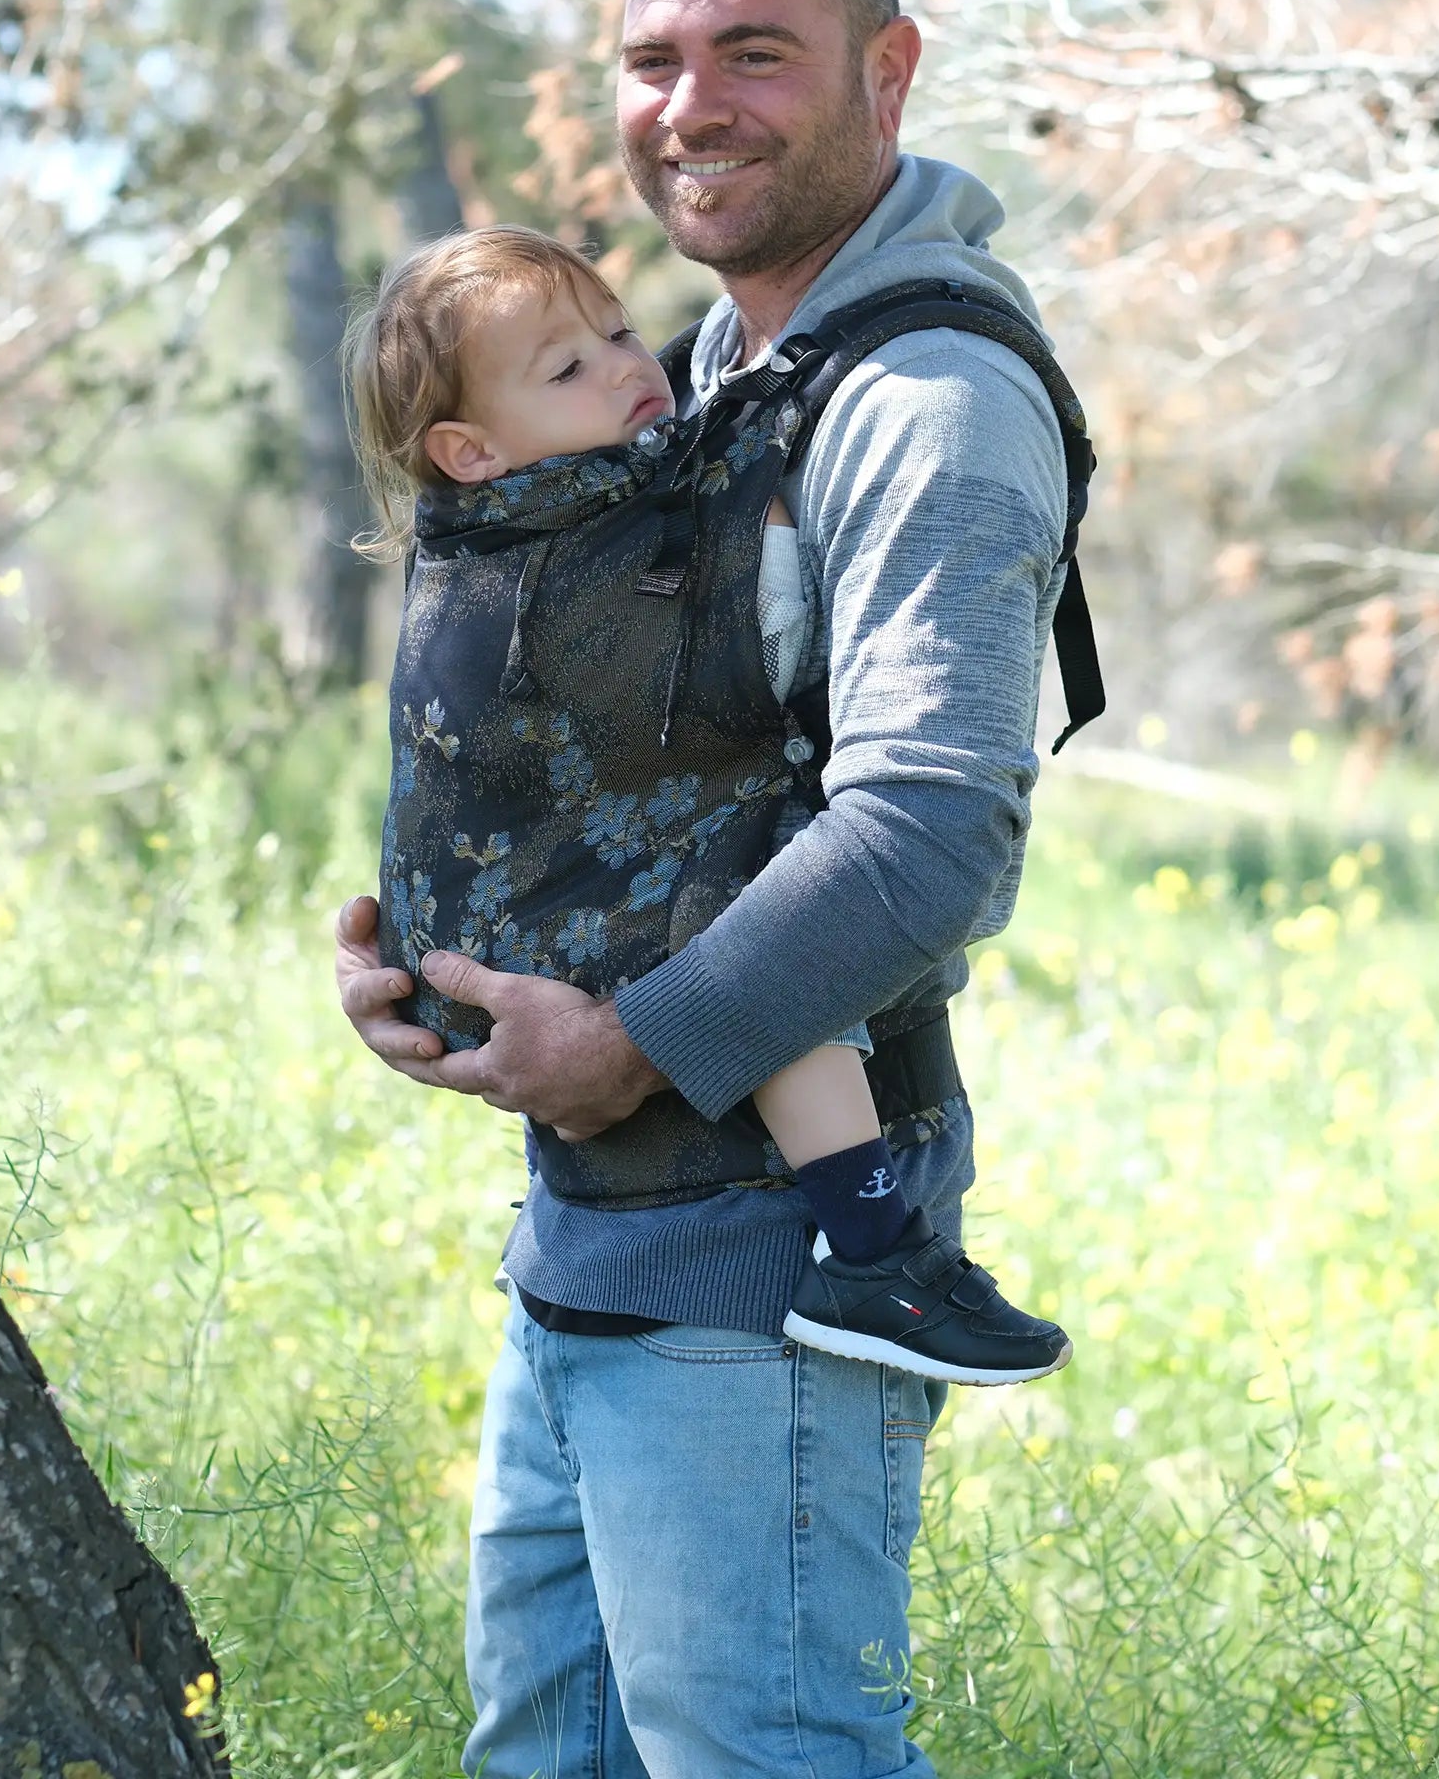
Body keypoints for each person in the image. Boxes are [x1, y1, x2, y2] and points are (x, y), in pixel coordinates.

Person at [336, 0, 1084, 1779]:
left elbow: (929, 834)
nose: (691, 105)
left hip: (770, 1275)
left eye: (755, 52)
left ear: (886, 72)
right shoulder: (713, 368)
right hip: (591, 1242)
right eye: (653, 57)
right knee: (549, 1753)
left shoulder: (923, 398)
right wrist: (444, 942)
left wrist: (628, 1041)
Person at [348, 221, 1070, 1380]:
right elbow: (751, 633)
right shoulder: (571, 538)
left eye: (618, 330)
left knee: (762, 893)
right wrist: (765, 525)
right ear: (468, 449)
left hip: (469, 948)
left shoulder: (484, 530)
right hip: (544, 975)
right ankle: (873, 1249)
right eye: (568, 367)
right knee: (769, 898)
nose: (629, 368)